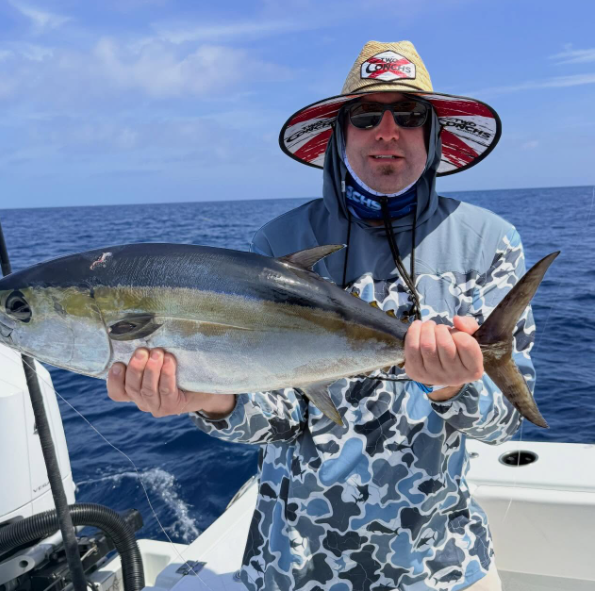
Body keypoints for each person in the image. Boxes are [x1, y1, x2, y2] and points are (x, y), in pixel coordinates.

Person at [107, 41, 535, 591]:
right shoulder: (280, 242)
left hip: (438, 566)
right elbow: (278, 418)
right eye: (365, 115)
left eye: (408, 114)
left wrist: (455, 387)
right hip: (295, 564)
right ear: (340, 134)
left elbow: (504, 423)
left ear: (430, 134)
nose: (387, 131)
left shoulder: (489, 243)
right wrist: (206, 397)